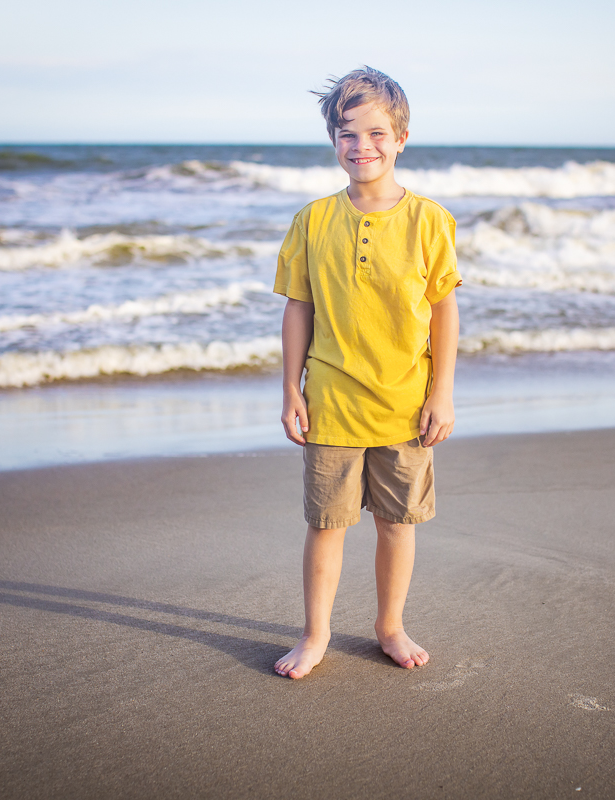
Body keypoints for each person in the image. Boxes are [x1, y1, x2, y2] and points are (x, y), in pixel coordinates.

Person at [272, 67, 462, 679]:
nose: (362, 147)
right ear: (333, 141)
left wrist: (443, 395)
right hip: (331, 401)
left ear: (401, 137)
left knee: (397, 525)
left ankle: (390, 626)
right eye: (347, 134)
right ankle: (316, 634)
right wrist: (290, 391)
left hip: (406, 405)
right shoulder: (313, 220)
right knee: (326, 525)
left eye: (376, 133)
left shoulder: (429, 221)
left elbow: (443, 310)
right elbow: (298, 310)